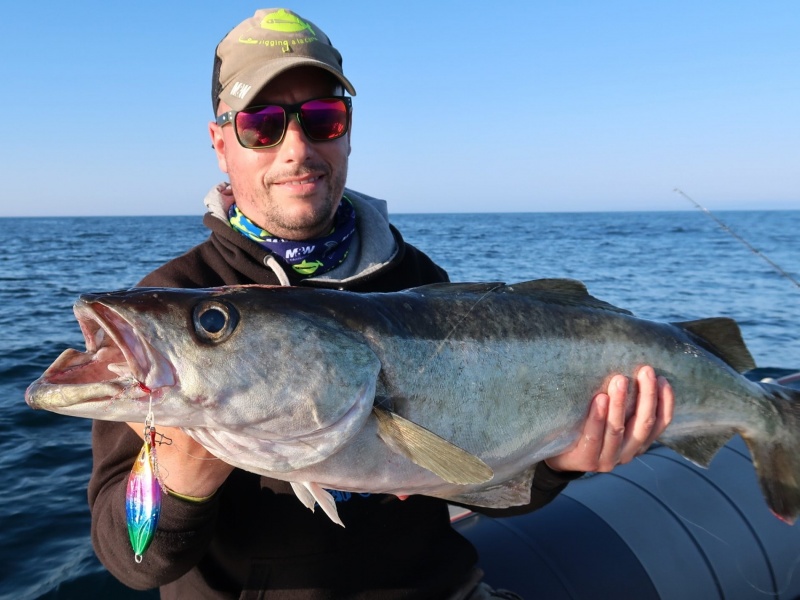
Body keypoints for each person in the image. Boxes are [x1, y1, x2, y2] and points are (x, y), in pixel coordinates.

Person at [88, 8, 674, 599]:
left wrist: (555, 463)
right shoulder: (172, 311)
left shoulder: (417, 282)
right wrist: (179, 481)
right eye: (261, 124)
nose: (296, 148)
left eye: (322, 117)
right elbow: (130, 558)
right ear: (221, 143)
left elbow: (474, 482)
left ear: (347, 130)